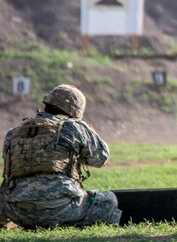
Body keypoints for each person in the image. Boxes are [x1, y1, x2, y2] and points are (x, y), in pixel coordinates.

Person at [1, 85, 121, 229]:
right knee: (108, 201)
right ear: (74, 110)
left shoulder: (14, 132)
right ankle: (69, 224)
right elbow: (101, 159)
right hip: (61, 207)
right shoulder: (73, 127)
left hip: (16, 210)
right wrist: (87, 132)